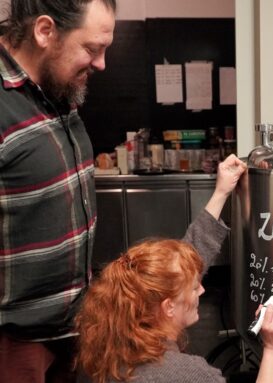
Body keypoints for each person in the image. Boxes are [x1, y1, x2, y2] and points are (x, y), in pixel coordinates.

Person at [0, 1, 116, 382]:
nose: (101, 64)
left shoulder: (57, 88)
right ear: (45, 31)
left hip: (69, 332)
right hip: (14, 346)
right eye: (92, 48)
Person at [75, 238, 273, 383]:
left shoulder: (105, 350)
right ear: (168, 306)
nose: (203, 290)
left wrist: (221, 193)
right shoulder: (188, 374)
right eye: (195, 287)